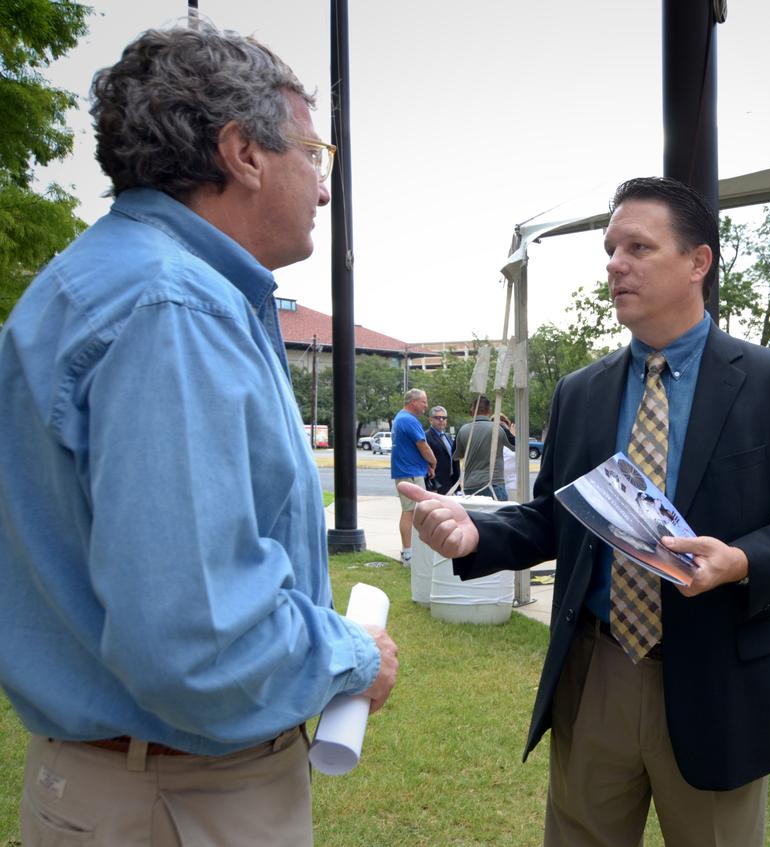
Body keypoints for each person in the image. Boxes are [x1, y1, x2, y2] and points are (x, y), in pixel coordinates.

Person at [0, 20, 398, 845]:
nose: (324, 189)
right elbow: (197, 636)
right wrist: (353, 655)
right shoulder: (171, 310)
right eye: (314, 156)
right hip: (179, 796)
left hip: (127, 781)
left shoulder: (111, 281)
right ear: (242, 153)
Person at [400, 176, 770, 846]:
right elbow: (558, 518)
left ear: (697, 261)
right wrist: (477, 534)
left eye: (637, 246)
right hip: (597, 671)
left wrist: (741, 560)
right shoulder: (582, 392)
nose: (614, 263)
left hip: (718, 679)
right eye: (611, 248)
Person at [393, 388, 437, 563]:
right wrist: (433, 461)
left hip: (410, 471)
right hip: (409, 474)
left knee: (412, 511)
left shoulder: (401, 418)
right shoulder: (409, 420)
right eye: (424, 402)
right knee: (410, 511)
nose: (426, 406)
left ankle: (411, 551)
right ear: (413, 402)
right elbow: (423, 445)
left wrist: (425, 465)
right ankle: (408, 554)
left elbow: (411, 448)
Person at [455, 395, 516, 500]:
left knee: (473, 516)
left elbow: (457, 455)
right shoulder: (498, 429)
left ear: (472, 410)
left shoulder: (463, 430)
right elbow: (516, 447)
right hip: (494, 485)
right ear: (490, 410)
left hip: (470, 486)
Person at [425, 404, 459, 494]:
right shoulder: (426, 436)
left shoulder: (448, 436)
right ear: (430, 419)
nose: (441, 420)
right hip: (435, 484)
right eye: (437, 417)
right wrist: (431, 484)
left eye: (444, 418)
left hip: (450, 482)